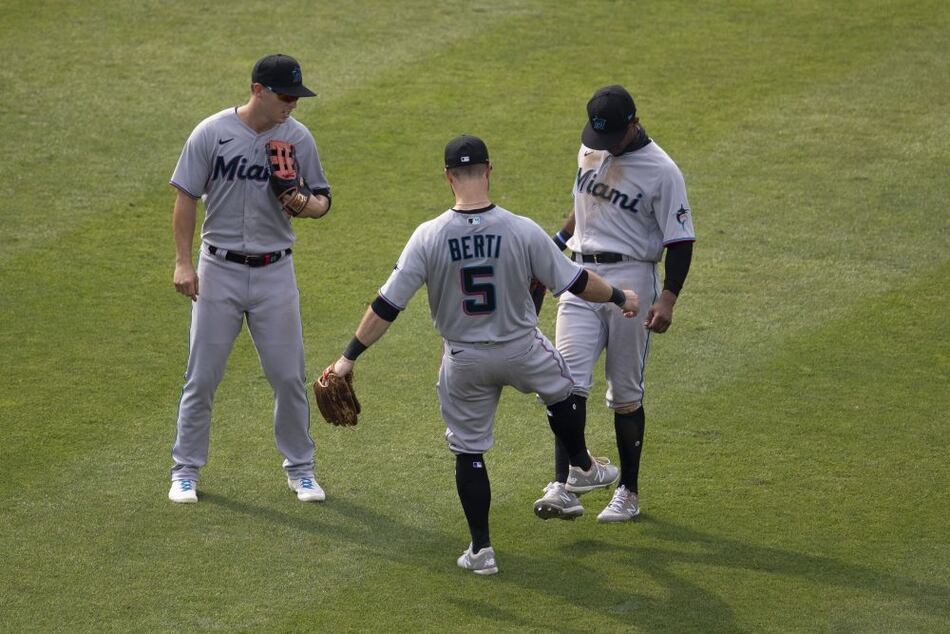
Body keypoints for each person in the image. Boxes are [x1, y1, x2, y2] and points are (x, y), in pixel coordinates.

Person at [326, 135, 640, 574]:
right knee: (563, 390)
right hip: (521, 349)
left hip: (464, 360)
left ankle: (482, 551)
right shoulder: (521, 229)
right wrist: (621, 296)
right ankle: (582, 466)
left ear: (447, 177)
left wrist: (348, 357)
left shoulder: (428, 235)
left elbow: (387, 306)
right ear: (489, 171)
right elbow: (576, 282)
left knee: (469, 453)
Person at [167, 54, 333, 504]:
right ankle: (185, 471)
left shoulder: (298, 139)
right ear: (258, 90)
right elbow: (185, 196)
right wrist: (184, 264)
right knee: (201, 377)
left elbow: (323, 199)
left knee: (287, 377)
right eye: (285, 96)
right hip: (217, 269)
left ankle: (301, 470)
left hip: (275, 272)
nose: (293, 105)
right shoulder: (212, 133)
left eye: (297, 97)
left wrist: (302, 203)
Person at [533, 85, 695, 523]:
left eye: (612, 139)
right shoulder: (590, 147)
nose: (603, 146)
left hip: (633, 279)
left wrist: (669, 298)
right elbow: (581, 206)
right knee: (562, 382)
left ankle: (628, 491)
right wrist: (554, 249)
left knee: (624, 393)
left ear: (633, 124)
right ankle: (567, 482)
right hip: (580, 277)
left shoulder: (662, 171)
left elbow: (680, 239)